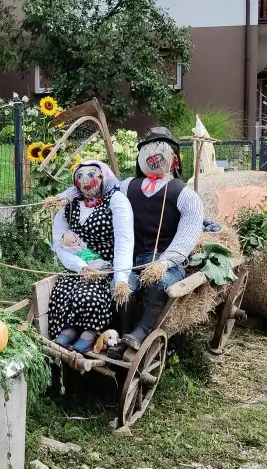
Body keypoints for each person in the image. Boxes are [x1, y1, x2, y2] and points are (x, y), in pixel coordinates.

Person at [110, 127, 204, 356]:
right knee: (120, 285)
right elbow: (100, 193)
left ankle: (142, 331)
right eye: (148, 151)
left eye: (160, 151)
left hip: (165, 262)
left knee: (158, 283)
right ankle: (125, 331)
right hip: (131, 260)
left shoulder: (185, 194)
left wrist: (164, 263)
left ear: (174, 158)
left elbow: (187, 235)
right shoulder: (126, 187)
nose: (154, 156)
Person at [49, 160, 133, 353]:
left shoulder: (116, 200)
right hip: (77, 265)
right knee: (63, 291)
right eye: (80, 177)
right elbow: (59, 239)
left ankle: (91, 332)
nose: (85, 181)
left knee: (90, 296)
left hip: (104, 267)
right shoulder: (70, 205)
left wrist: (121, 278)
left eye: (91, 175)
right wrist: (81, 266)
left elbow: (124, 241)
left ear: (104, 177)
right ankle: (69, 330)